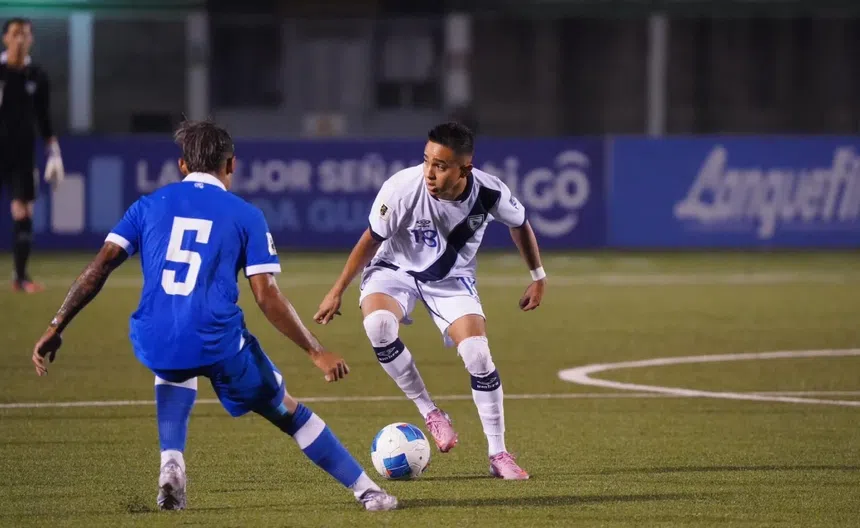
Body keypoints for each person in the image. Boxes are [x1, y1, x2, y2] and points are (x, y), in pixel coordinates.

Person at [31, 120, 397, 512]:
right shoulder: (246, 215)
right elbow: (267, 296)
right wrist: (316, 352)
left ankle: (171, 462)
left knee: (174, 365)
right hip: (217, 341)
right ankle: (369, 493)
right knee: (287, 411)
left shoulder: (147, 206)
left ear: (182, 165)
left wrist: (56, 324)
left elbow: (98, 267)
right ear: (231, 164)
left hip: (154, 338)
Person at [314, 122, 546, 480]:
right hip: (395, 269)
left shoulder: (490, 192)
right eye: (426, 161)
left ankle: (498, 454)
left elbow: (520, 224)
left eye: (440, 165)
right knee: (378, 326)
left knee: (478, 355)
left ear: (464, 169)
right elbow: (371, 240)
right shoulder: (401, 188)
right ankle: (431, 413)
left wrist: (537, 276)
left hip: (451, 278)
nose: (430, 172)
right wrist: (337, 290)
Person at [1, 17, 64, 292]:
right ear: (5, 38)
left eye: (25, 34)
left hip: (22, 155)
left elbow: (44, 117)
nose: (20, 39)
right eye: (15, 34)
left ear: (31, 40)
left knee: (24, 210)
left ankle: (20, 277)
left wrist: (54, 152)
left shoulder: (36, 75)